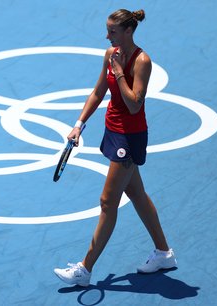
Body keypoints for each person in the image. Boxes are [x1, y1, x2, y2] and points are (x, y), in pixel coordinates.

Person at [54, 9, 177, 287]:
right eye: (108, 30)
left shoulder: (142, 61)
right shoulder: (109, 54)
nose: (107, 36)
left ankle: (84, 269)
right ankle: (164, 253)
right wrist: (79, 125)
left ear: (128, 32)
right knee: (136, 193)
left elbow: (135, 105)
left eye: (112, 31)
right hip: (113, 131)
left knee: (108, 202)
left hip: (130, 136)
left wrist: (120, 73)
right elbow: (98, 92)